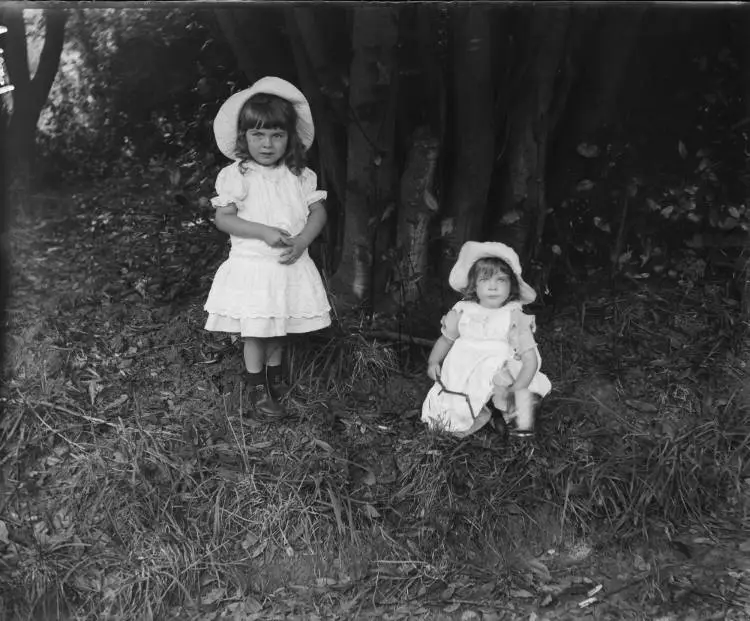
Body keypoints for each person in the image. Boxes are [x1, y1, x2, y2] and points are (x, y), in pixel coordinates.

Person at [204, 76, 331, 420]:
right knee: (256, 330)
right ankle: (256, 383)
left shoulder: (299, 175)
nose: (267, 144)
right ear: (243, 137)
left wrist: (303, 240)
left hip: (288, 262)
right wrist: (262, 231)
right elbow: (224, 219)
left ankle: (276, 373)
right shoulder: (238, 175)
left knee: (280, 325)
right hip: (254, 265)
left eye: (277, 135)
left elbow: (317, 211)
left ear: (289, 137)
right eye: (257, 135)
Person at [422, 241, 552, 438]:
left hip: (499, 374)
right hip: (464, 371)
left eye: (501, 280)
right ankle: (485, 414)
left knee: (515, 394)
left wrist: (516, 390)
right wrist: (433, 362)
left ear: (512, 286)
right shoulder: (463, 311)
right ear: (474, 284)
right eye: (485, 279)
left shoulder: (513, 316)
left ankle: (515, 423)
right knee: (455, 404)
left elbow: (530, 360)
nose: (493, 286)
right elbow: (446, 340)